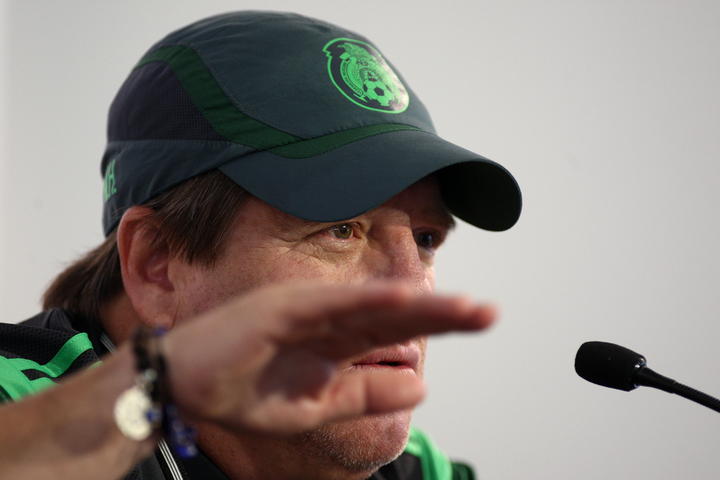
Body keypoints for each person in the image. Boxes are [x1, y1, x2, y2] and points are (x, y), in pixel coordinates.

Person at [0, 11, 521, 480]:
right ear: (160, 265)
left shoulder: (413, 468)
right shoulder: (17, 402)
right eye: (341, 230)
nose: (413, 296)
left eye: (426, 239)